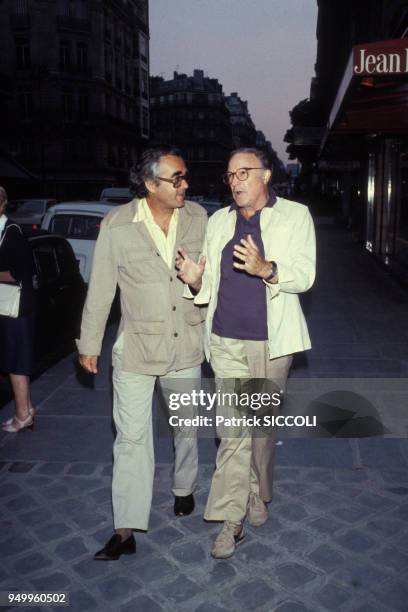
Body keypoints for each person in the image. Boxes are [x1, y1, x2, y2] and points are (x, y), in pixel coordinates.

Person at [176, 147, 316, 559]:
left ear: (266, 175)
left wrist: (266, 269)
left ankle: (258, 490)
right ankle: (231, 520)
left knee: (260, 432)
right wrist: (195, 280)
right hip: (224, 340)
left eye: (244, 172)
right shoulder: (219, 221)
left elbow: (306, 275)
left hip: (272, 344)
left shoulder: (295, 216)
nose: (235, 181)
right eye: (230, 175)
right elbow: (206, 288)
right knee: (232, 433)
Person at [77, 146, 207, 560]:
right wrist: (89, 343)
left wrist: (198, 283)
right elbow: (100, 289)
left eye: (185, 176)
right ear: (151, 184)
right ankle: (125, 529)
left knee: (185, 428)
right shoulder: (117, 224)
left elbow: (212, 281)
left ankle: (184, 486)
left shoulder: (199, 218)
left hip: (185, 344)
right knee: (131, 440)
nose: (185, 184)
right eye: (176, 178)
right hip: (135, 348)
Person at [0, 185, 36, 433]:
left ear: (2, 204)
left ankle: (23, 416)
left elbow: (22, 272)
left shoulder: (11, 231)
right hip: (7, 306)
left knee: (16, 362)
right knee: (12, 360)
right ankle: (26, 409)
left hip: (17, 307)